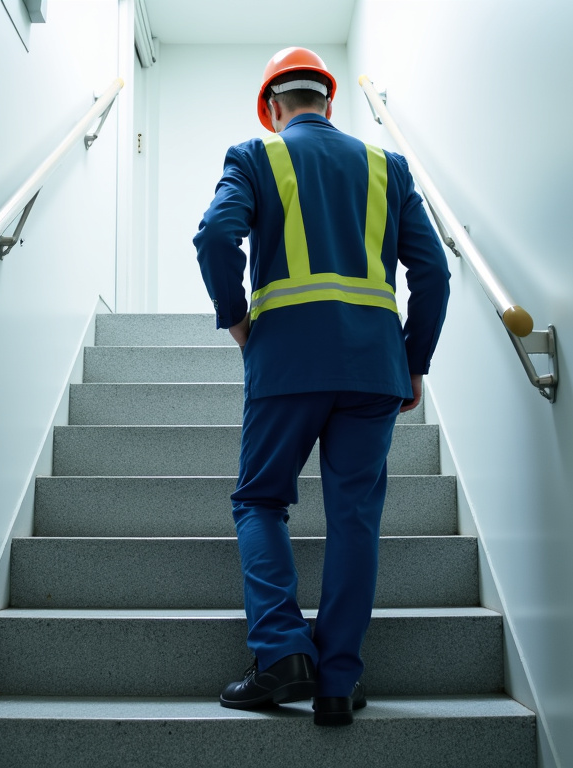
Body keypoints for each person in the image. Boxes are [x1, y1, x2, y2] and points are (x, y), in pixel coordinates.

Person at [193, 47, 451, 727]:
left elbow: (217, 236)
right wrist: (413, 361)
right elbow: (436, 275)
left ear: (274, 107)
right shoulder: (386, 167)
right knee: (355, 518)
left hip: (285, 363)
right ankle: (338, 681)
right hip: (373, 369)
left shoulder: (254, 155)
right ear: (328, 102)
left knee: (260, 501)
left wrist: (238, 322)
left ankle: (281, 653)